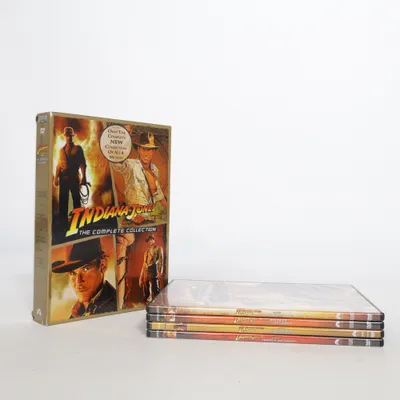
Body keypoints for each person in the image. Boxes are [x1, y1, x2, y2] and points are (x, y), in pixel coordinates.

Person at [52, 238, 117, 318]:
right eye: (73, 273)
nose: (78, 281)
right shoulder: (78, 311)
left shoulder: (116, 305)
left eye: (86, 269)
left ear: (102, 265)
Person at [112, 132, 167, 222]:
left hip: (148, 218)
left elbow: (159, 194)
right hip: (133, 219)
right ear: (138, 149)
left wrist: (170, 211)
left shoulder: (155, 169)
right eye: (144, 149)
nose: (146, 154)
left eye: (149, 150)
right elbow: (118, 164)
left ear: (153, 151)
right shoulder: (131, 165)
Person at [54, 127, 87, 228]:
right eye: (67, 136)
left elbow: (82, 164)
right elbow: (59, 165)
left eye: (70, 136)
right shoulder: (61, 150)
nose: (69, 137)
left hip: (74, 177)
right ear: (65, 137)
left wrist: (84, 178)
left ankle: (78, 223)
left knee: (76, 200)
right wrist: (56, 178)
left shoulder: (78, 149)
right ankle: (63, 224)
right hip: (63, 178)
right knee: (63, 201)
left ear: (73, 136)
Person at [139, 234, 164, 304]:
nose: (150, 241)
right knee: (146, 285)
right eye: (149, 240)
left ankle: (157, 302)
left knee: (155, 287)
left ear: (154, 240)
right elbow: (144, 264)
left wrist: (160, 272)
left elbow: (161, 260)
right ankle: (148, 300)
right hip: (146, 270)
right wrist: (140, 277)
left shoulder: (158, 248)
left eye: (151, 239)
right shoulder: (146, 251)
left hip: (153, 269)